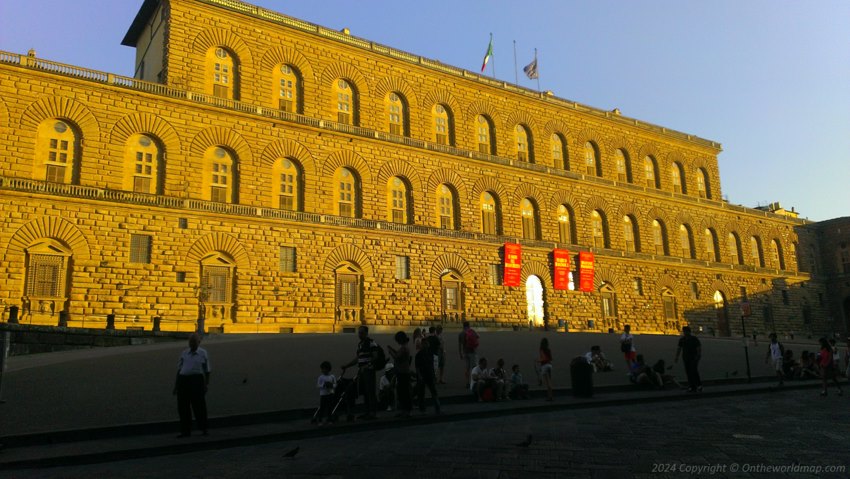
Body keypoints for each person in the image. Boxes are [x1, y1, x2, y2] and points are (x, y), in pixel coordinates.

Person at [173, 333, 211, 438]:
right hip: (183, 380)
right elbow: (179, 369)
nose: (192, 344)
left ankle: (204, 428)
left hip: (197, 380)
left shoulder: (203, 353)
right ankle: (185, 431)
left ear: (199, 343)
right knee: (183, 407)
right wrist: (176, 385)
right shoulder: (184, 353)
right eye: (190, 342)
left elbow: (207, 370)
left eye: (194, 342)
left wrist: (206, 384)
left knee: (199, 406)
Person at [341, 325, 380, 420]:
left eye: (361, 333)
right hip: (362, 371)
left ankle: (373, 413)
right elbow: (358, 359)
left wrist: (367, 366)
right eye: (359, 333)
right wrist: (347, 365)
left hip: (368, 371)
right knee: (365, 392)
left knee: (370, 392)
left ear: (366, 333)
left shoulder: (371, 343)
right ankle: (367, 412)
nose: (360, 334)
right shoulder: (360, 344)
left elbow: (375, 357)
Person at [386, 331, 412, 417]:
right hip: (403, 372)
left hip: (403, 372)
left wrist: (390, 351)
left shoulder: (404, 348)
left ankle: (406, 411)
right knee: (403, 392)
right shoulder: (404, 347)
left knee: (403, 392)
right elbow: (398, 353)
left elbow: (397, 357)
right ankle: (404, 410)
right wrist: (392, 349)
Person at [414, 332, 441, 414]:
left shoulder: (429, 353)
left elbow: (432, 366)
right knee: (422, 393)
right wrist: (420, 376)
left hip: (429, 375)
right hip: (423, 375)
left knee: (432, 392)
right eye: (425, 343)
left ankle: (436, 407)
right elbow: (417, 367)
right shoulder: (419, 355)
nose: (426, 345)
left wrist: (434, 375)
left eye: (427, 343)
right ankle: (423, 409)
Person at [674, 326, 702, 393]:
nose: (685, 333)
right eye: (684, 331)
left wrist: (698, 356)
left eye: (686, 331)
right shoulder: (682, 340)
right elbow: (679, 349)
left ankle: (698, 385)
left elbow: (698, 348)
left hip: (693, 357)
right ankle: (692, 386)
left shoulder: (694, 339)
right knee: (688, 372)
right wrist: (676, 357)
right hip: (686, 358)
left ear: (689, 332)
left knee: (694, 371)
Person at [315, 361, 336, 425]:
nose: (323, 370)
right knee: (322, 407)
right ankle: (320, 420)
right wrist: (324, 385)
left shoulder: (332, 377)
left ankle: (329, 419)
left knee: (330, 407)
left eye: (324, 369)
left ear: (328, 369)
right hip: (323, 394)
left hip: (330, 394)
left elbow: (335, 384)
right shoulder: (321, 377)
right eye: (322, 369)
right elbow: (318, 385)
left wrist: (332, 385)